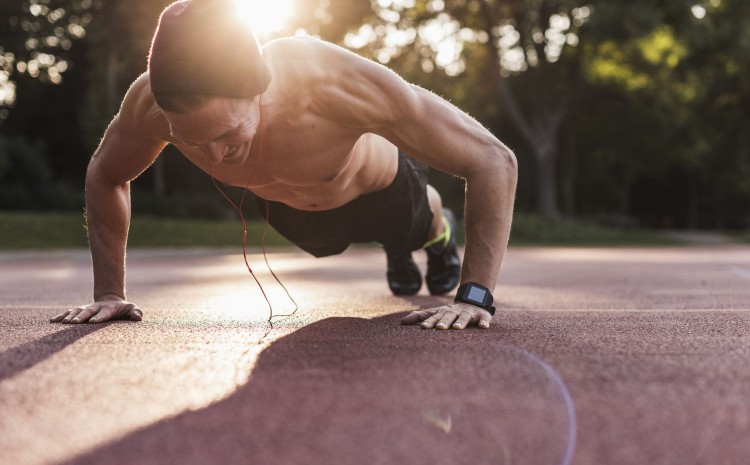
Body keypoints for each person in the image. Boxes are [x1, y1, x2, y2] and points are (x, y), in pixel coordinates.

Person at [50, 0, 517, 330]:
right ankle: (397, 248)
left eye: (227, 134)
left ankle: (436, 234)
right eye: (192, 142)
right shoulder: (149, 105)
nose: (214, 157)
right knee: (325, 245)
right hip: (295, 216)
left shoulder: (330, 84)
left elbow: (493, 160)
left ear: (259, 88)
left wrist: (475, 296)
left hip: (385, 189)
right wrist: (110, 293)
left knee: (416, 225)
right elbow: (106, 173)